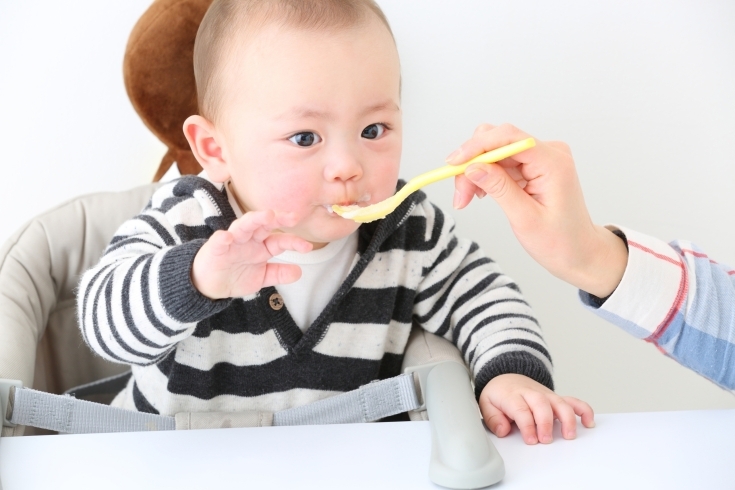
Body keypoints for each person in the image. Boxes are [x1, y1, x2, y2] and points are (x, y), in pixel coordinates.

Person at [77, 0, 594, 445]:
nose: (349, 165)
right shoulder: (188, 219)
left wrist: (508, 375)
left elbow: (484, 297)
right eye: (306, 137)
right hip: (171, 465)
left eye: (374, 128)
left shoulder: (405, 227)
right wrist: (195, 280)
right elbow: (103, 323)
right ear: (216, 149)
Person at [448, 123, 735, 409]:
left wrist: (509, 372)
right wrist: (594, 256)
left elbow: (485, 299)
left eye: (399, 125)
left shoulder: (421, 228)